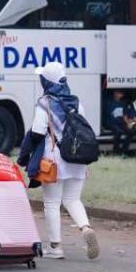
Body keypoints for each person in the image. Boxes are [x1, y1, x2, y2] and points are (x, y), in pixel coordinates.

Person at [27, 62, 99, 260]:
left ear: (46, 81)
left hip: (55, 160)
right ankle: (85, 228)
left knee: (51, 203)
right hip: (78, 158)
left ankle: (55, 247)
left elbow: (37, 131)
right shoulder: (76, 102)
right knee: (73, 199)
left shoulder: (45, 103)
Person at [104, 90, 133, 156]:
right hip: (111, 122)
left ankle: (123, 150)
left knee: (131, 132)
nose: (121, 94)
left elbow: (125, 115)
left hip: (121, 122)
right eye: (119, 93)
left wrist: (128, 123)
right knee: (118, 132)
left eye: (121, 93)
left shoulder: (123, 103)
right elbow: (108, 114)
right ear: (115, 93)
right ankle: (115, 151)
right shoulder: (108, 102)